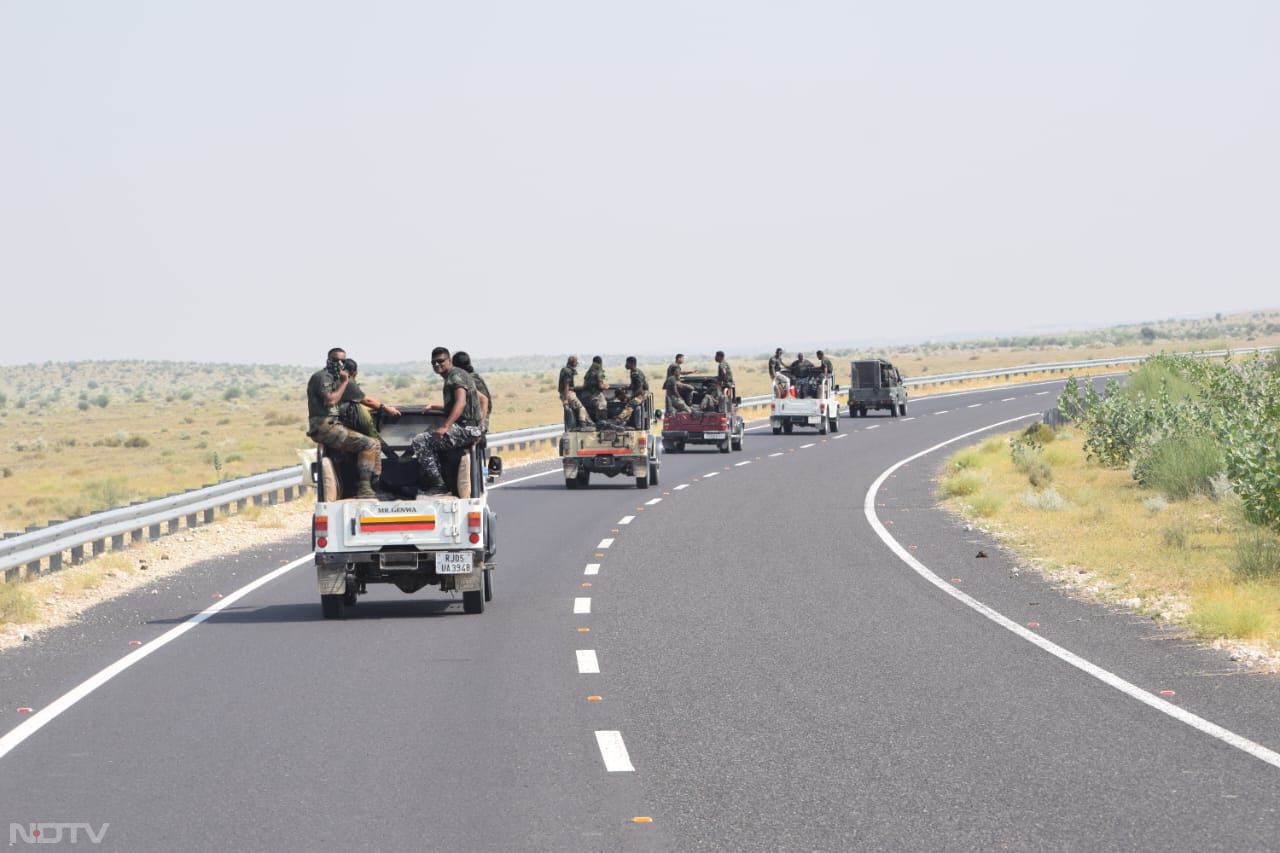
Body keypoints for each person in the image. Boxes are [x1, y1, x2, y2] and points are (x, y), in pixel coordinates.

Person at [306, 347, 381, 499]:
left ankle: (375, 486)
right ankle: (365, 489)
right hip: (324, 426)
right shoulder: (323, 377)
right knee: (369, 445)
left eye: (342, 361)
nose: (339, 364)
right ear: (328, 360)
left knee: (374, 444)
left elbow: (358, 399)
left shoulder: (334, 379)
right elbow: (331, 400)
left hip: (332, 425)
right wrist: (345, 382)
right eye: (335, 360)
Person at [410, 347, 484, 495]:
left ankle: (438, 485)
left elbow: (461, 403)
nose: (437, 364)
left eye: (440, 361)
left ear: (449, 361)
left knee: (420, 441)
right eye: (434, 362)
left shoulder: (455, 376)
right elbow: (455, 406)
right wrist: (434, 406)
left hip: (466, 428)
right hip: (469, 427)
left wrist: (445, 426)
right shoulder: (454, 376)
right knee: (430, 441)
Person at [337, 358, 401, 439]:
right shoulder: (347, 383)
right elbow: (367, 401)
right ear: (355, 373)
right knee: (373, 444)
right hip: (346, 426)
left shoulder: (334, 382)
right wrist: (386, 408)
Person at [451, 351, 490, 433]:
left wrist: (481, 426)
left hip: (475, 425)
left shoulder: (468, 380)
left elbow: (484, 400)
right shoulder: (473, 377)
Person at [612, 356, 650, 426]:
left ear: (632, 363)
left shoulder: (636, 373)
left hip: (643, 394)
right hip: (638, 392)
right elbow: (633, 385)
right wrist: (625, 389)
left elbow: (640, 389)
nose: (626, 365)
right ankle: (626, 420)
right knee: (625, 399)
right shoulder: (632, 372)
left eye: (627, 363)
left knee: (631, 404)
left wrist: (630, 397)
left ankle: (619, 419)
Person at [559, 355, 587, 429]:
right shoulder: (568, 371)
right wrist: (565, 399)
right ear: (574, 363)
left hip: (565, 393)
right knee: (581, 408)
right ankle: (583, 425)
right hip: (568, 394)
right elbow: (566, 386)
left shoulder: (564, 370)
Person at [581, 356, 608, 425]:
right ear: (601, 362)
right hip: (597, 395)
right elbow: (600, 386)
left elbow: (584, 386)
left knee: (597, 409)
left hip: (591, 396)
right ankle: (602, 425)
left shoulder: (589, 371)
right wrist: (606, 386)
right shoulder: (598, 370)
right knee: (602, 407)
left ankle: (598, 423)